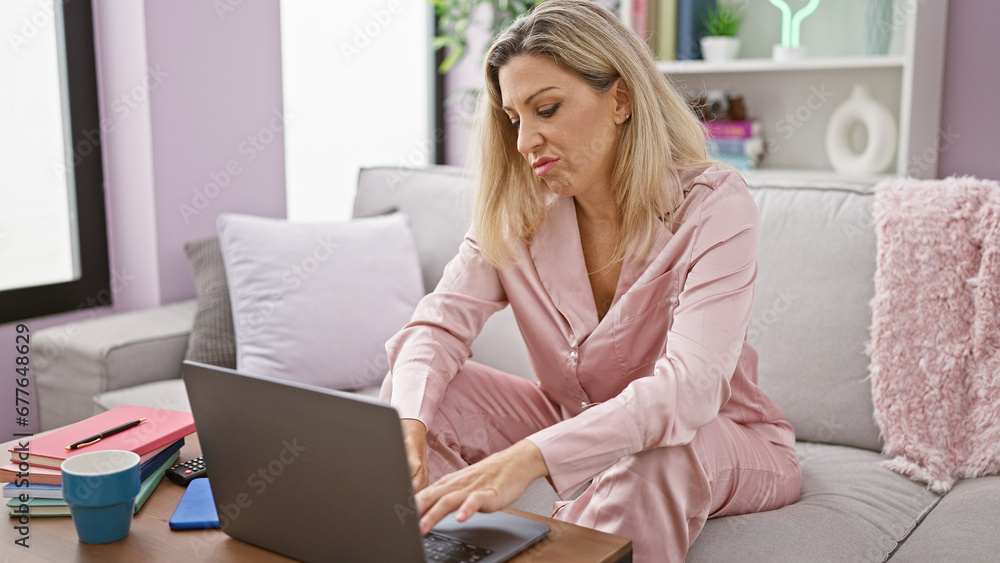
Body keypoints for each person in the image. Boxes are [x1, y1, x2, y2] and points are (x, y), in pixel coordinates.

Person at [378, 0, 802, 559]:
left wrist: (530, 457)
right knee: (419, 397)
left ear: (620, 99)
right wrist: (408, 423)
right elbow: (436, 327)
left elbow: (690, 389)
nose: (525, 141)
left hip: (718, 436)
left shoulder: (713, 207)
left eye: (546, 109)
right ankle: (441, 550)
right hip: (574, 420)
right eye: (515, 119)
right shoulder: (518, 213)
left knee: (660, 451)